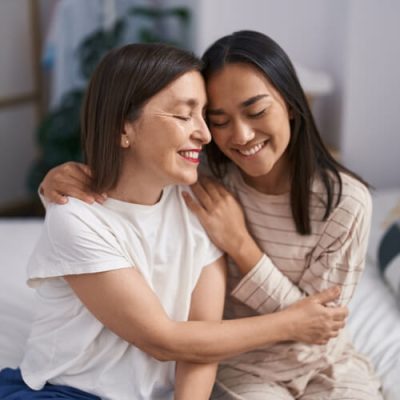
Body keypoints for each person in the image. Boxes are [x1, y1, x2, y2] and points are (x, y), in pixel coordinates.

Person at [0, 43, 347, 400]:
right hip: (65, 392)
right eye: (184, 116)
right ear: (124, 127)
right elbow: (162, 340)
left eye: (204, 116)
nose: (206, 134)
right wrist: (291, 323)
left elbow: (202, 341)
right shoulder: (77, 219)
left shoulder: (200, 206)